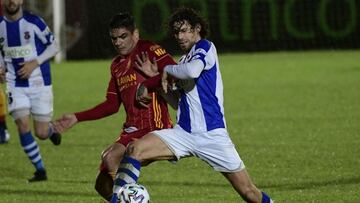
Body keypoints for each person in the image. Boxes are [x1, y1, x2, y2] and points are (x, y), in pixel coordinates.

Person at [110, 7, 274, 203]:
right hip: (184, 134)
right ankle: (117, 200)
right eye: (177, 32)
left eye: (185, 30)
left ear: (197, 29)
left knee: (249, 192)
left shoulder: (205, 47)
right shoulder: (183, 60)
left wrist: (166, 70)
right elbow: (179, 103)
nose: (180, 36)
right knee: (134, 149)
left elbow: (193, 71)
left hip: (212, 135)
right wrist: (158, 82)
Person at [54, 12, 177, 201]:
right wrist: (77, 117)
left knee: (110, 157)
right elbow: (111, 105)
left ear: (135, 34)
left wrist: (152, 79)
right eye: (114, 38)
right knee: (102, 184)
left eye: (123, 36)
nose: (118, 42)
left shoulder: (149, 49)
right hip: (131, 130)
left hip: (153, 126)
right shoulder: (117, 66)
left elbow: (174, 70)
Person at [0, 0, 61, 182]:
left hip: (39, 83)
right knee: (22, 125)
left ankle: (50, 131)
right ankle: (40, 170)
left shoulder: (34, 22)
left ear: (21, 1)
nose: (12, 1)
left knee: (40, 133)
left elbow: (54, 46)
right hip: (14, 85)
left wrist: (35, 63)